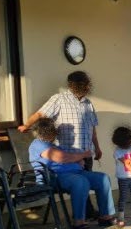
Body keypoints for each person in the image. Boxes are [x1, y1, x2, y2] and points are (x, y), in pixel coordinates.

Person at [19, 71, 101, 216]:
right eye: (82, 84)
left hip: (85, 151)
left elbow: (92, 128)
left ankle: (87, 213)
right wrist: (26, 125)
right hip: (67, 153)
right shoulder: (59, 99)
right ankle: (84, 215)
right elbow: (40, 114)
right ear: (72, 85)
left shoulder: (88, 104)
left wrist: (97, 148)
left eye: (87, 84)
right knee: (78, 182)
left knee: (86, 181)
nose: (86, 87)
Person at [28, 117, 116, 229]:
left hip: (75, 173)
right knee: (80, 182)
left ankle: (105, 217)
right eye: (52, 131)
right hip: (55, 177)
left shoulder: (53, 145)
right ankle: (78, 223)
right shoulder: (37, 144)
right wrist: (82, 155)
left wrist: (77, 160)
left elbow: (72, 158)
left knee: (102, 178)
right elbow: (62, 158)